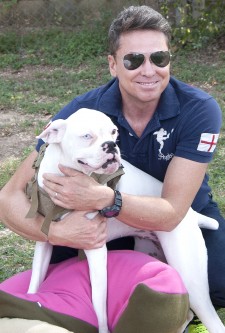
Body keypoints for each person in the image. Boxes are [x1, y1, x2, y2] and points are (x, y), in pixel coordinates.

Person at [0, 4, 224, 333]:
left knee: (217, 285)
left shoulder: (199, 109)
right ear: (112, 64)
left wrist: (106, 199)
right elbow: (8, 198)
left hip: (180, 209)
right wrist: (59, 232)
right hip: (98, 221)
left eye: (159, 58)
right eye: (134, 60)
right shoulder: (81, 113)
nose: (149, 70)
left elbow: (173, 211)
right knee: (92, 284)